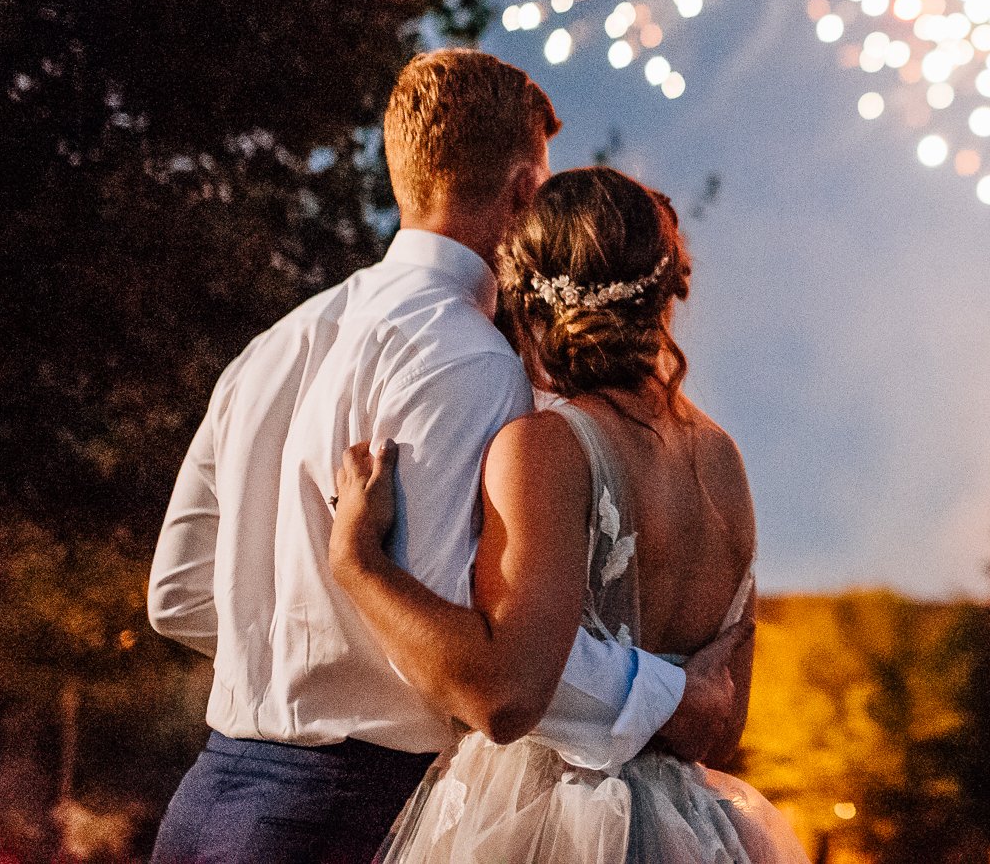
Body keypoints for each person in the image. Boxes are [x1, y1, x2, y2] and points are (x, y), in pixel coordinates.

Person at [146, 50, 746, 864]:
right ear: (524, 191)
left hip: (206, 800)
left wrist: (295, 656)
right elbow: (496, 669)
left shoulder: (274, 345)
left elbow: (178, 595)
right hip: (352, 817)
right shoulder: (469, 360)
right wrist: (674, 696)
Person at [328, 167, 806, 864]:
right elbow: (722, 721)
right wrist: (673, 695)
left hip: (539, 825)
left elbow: (503, 700)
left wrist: (361, 565)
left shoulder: (546, 449)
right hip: (695, 833)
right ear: (663, 294)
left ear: (529, 298)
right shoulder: (723, 459)